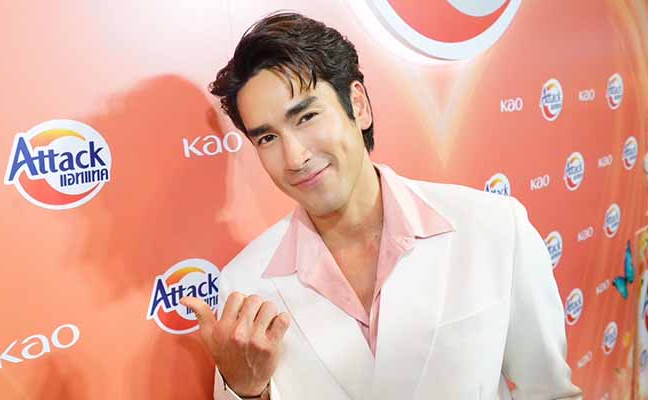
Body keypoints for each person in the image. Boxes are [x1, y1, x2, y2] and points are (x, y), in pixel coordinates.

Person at [181, 12, 582, 400]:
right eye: (267, 138)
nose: (295, 157)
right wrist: (246, 391)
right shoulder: (245, 286)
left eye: (306, 117)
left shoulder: (493, 227)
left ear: (358, 105)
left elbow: (549, 392)